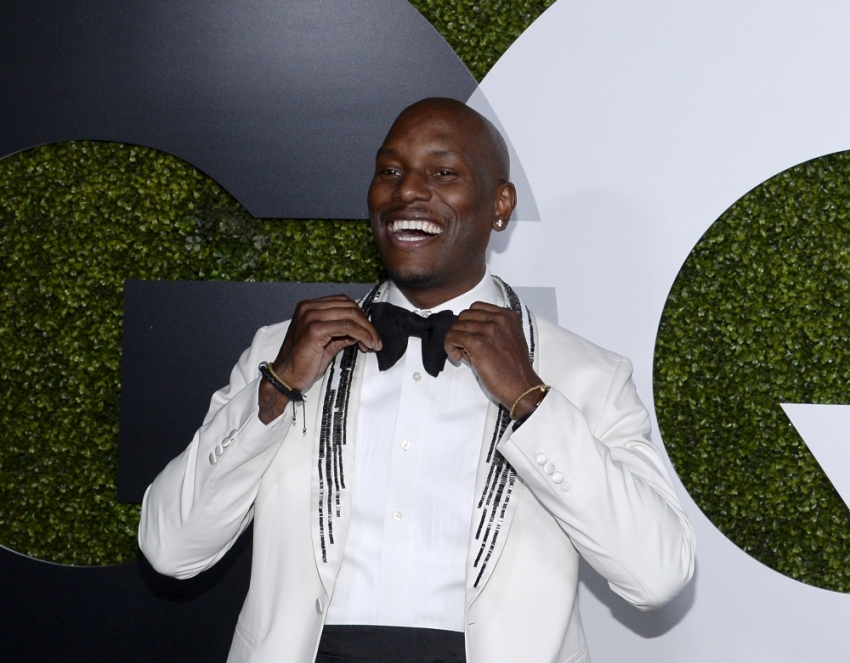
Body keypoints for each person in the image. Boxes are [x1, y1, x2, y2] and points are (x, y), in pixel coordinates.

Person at [139, 97, 695, 663]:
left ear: (500, 205)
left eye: (443, 172)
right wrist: (277, 389)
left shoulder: (585, 375)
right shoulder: (278, 352)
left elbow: (657, 576)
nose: (407, 191)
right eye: (390, 171)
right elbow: (170, 549)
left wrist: (532, 401)